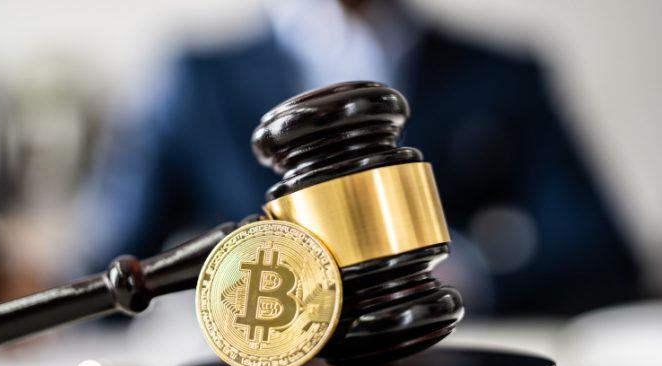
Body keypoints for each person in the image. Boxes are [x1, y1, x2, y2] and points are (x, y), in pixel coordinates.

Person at [78, 0, 642, 315]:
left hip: (447, 350)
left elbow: (605, 258)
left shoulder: (503, 76)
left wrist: (467, 276)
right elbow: (110, 263)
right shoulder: (194, 83)